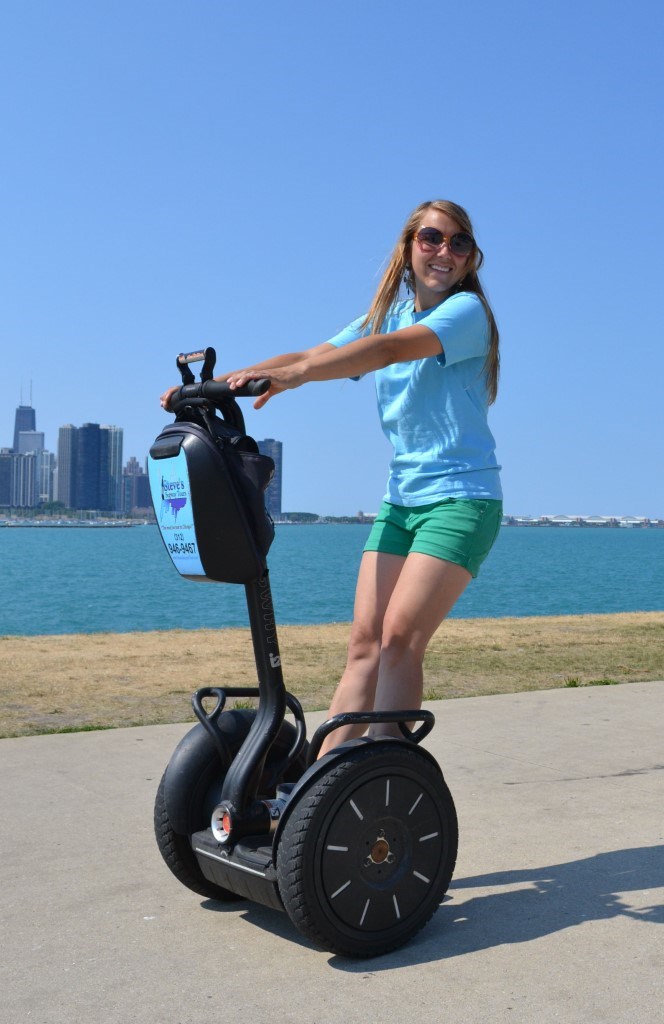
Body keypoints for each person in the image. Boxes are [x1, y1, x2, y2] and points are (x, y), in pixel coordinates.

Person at [160, 199, 502, 758]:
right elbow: (313, 352)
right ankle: (320, 781)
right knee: (365, 643)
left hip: (461, 499)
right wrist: (217, 385)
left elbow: (386, 352)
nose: (445, 251)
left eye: (459, 242)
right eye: (432, 238)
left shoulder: (466, 313)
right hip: (402, 501)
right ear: (409, 248)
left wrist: (297, 376)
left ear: (470, 257)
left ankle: (385, 771)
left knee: (399, 639)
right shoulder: (388, 314)